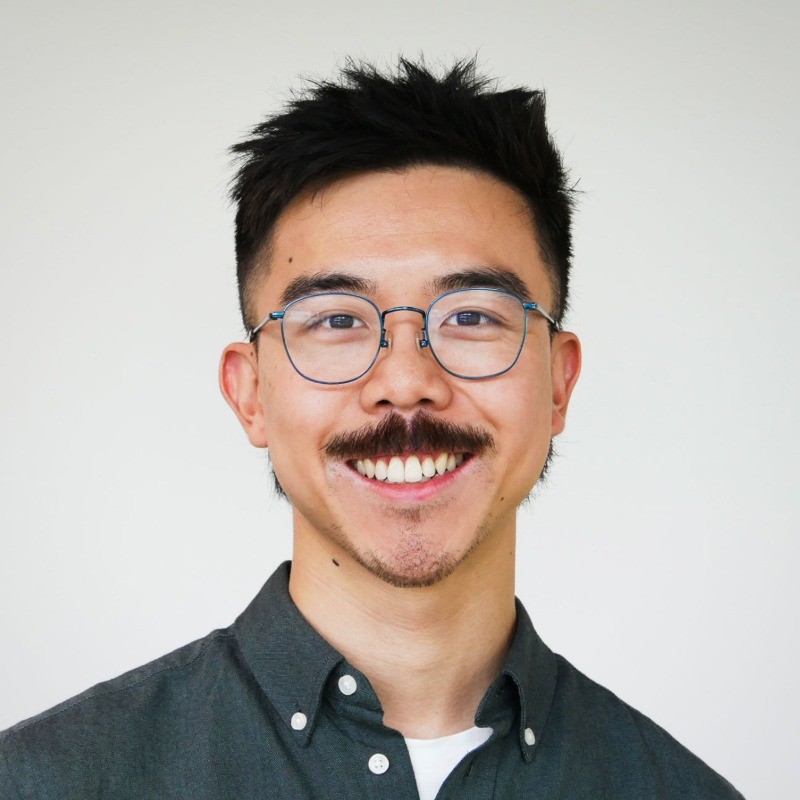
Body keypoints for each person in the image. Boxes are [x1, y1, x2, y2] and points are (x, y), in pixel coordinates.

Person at [0, 58, 743, 799]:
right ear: (250, 392)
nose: (407, 381)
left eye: (473, 317)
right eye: (336, 321)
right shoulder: (44, 781)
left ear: (559, 381)